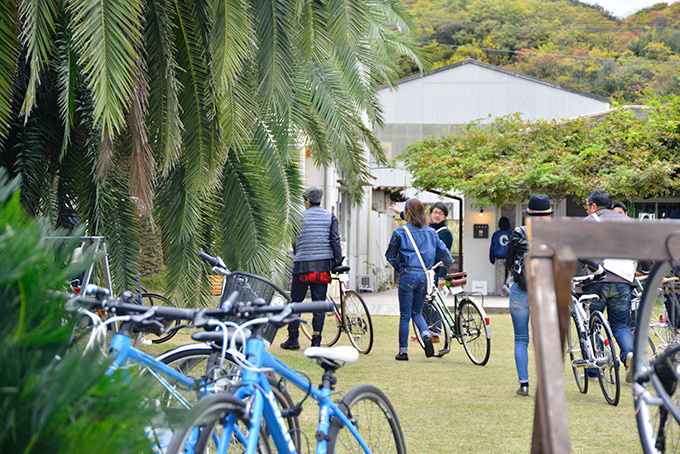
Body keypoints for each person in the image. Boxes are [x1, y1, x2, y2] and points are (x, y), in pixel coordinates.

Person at [386, 198, 453, 361]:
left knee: (405, 315)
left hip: (407, 276)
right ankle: (426, 335)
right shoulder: (431, 232)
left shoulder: (400, 232)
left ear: (408, 212)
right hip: (424, 277)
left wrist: (401, 267)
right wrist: (441, 269)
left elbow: (390, 256)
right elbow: (447, 257)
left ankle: (403, 352)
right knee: (417, 312)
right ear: (424, 213)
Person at [280, 186, 343, 350]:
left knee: (296, 302)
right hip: (322, 266)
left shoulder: (297, 218)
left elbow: (294, 243)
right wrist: (337, 262)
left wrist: (300, 253)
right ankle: (316, 340)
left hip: (302, 265)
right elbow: (335, 241)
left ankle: (293, 339)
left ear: (307, 201)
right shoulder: (330, 217)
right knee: (319, 304)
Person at [583, 189, 635, 382]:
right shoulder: (629, 222)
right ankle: (629, 356)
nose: (587, 211)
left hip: (597, 281)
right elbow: (644, 248)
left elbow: (576, 249)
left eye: (587, 207)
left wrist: (590, 265)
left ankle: (595, 369)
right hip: (623, 281)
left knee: (594, 323)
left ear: (594, 206)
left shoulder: (589, 221)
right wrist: (645, 270)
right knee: (621, 324)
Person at [506, 194, 554, 397]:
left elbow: (509, 261)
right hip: (545, 289)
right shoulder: (555, 234)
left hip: (521, 289)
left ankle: (524, 384)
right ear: (549, 215)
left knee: (521, 339)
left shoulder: (518, 232)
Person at [390, 201, 453, 288]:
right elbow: (412, 218)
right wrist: (398, 212)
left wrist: (441, 276)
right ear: (430, 214)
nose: (437, 216)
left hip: (434, 273)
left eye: (441, 213)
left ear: (445, 216)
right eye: (435, 212)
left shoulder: (445, 233)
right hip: (424, 271)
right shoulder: (428, 228)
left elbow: (446, 256)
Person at [489, 216, 512, 296]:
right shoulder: (511, 234)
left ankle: (502, 291)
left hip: (499, 256)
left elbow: (492, 247)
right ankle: (507, 284)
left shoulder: (495, 234)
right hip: (509, 256)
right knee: (511, 272)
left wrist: (492, 259)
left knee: (501, 273)